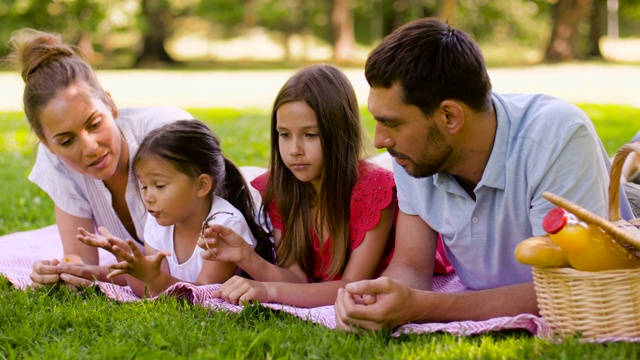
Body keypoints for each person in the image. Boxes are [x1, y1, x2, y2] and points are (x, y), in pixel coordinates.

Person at [334, 17, 627, 330]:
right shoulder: (413, 155)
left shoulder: (558, 137)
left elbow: (564, 287)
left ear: (449, 116)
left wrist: (423, 306)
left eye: (392, 123)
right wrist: (376, 299)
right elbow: (410, 264)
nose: (380, 141)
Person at [197, 64, 414, 308]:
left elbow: (352, 286)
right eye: (284, 135)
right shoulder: (281, 186)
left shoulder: (374, 189)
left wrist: (268, 291)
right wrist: (245, 257)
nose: (294, 151)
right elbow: (296, 279)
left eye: (310, 135)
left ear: (339, 134)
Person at [8, 28, 193, 289]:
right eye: (66, 141)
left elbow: (193, 264)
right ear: (47, 144)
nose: (90, 148)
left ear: (110, 104)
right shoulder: (55, 163)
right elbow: (80, 257)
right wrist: (62, 270)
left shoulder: (168, 132)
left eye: (94, 124)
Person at [77, 120, 275, 297]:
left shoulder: (225, 227)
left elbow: (203, 296)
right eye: (144, 186)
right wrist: (122, 265)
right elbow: (153, 293)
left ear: (201, 185)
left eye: (159, 186)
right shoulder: (157, 224)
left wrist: (153, 278)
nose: (148, 197)